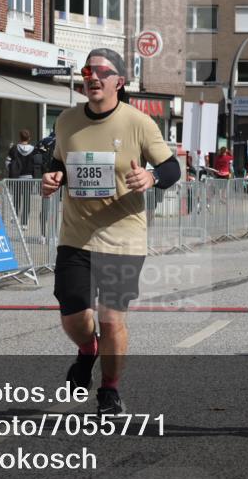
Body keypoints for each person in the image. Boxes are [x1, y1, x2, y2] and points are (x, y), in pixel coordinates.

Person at [41, 48, 181, 415]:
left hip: (123, 238)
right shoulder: (67, 121)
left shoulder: (138, 123)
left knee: (111, 317)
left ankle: (110, 390)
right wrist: (52, 177)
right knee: (73, 317)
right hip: (75, 236)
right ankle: (87, 351)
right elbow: (58, 162)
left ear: (120, 80)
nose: (93, 77)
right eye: (88, 70)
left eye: (102, 71)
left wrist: (151, 176)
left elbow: (171, 169)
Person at [6, 129, 40, 227]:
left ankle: (15, 220)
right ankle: (24, 223)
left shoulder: (14, 149)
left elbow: (7, 162)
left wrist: (12, 171)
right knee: (27, 200)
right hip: (29, 179)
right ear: (29, 138)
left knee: (16, 199)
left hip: (17, 178)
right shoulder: (34, 150)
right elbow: (37, 164)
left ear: (20, 137)